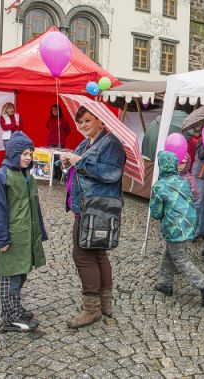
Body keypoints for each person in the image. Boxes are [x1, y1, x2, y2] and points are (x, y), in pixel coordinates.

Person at [61, 106, 126, 328]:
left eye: (87, 120)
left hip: (97, 207)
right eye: (80, 122)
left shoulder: (110, 143)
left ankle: (92, 309)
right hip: (87, 206)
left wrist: (80, 162)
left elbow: (111, 173)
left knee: (82, 254)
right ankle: (105, 304)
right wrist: (69, 162)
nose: (83, 126)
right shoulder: (88, 142)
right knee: (98, 253)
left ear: (100, 119)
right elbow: (80, 162)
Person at [0, 131, 48, 332]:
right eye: (24, 153)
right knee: (10, 276)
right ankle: (10, 317)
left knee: (20, 274)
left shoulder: (27, 177)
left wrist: (40, 233)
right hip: (11, 238)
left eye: (30, 153)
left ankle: (14, 308)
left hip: (25, 237)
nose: (29, 157)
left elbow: (34, 207)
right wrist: (1, 239)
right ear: (13, 153)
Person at [150, 151, 204, 307]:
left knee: (181, 259)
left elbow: (156, 213)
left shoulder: (159, 186)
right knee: (171, 252)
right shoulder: (183, 182)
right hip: (187, 224)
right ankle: (165, 283)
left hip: (174, 227)